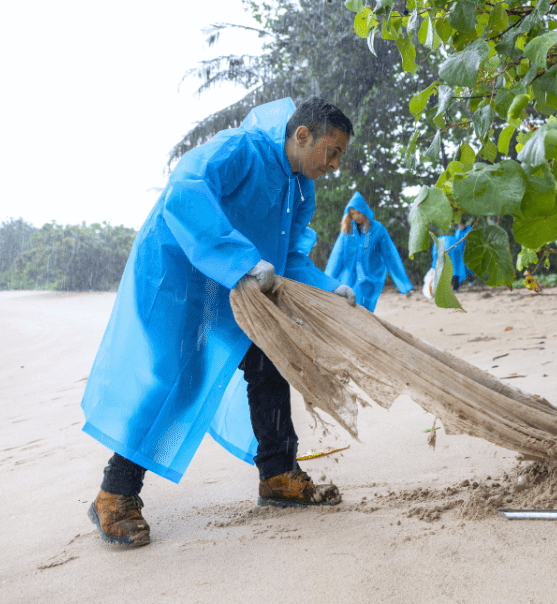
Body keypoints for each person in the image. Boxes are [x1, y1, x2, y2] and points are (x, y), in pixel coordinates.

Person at [81, 96, 357, 549]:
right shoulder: (240, 149)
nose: (335, 164)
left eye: (341, 155)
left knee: (268, 357)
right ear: (302, 135)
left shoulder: (298, 188)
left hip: (230, 283)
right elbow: (185, 191)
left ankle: (278, 474)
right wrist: (244, 260)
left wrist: (329, 288)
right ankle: (115, 494)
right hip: (175, 276)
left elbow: (288, 257)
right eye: (333, 151)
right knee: (179, 378)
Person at [323, 191, 414, 312]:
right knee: (351, 309)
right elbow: (337, 257)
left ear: (364, 211)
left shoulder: (378, 229)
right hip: (349, 277)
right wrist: (325, 283)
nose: (356, 217)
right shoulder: (347, 231)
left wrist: (404, 285)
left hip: (371, 277)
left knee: (366, 311)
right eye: (353, 214)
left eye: (359, 213)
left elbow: (390, 256)